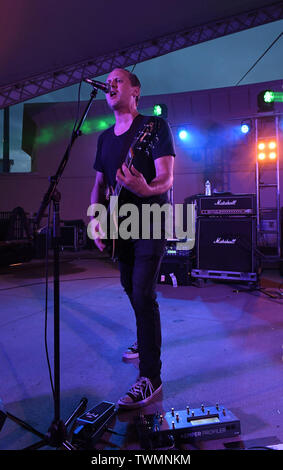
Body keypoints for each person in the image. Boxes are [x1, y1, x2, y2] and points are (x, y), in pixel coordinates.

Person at [90, 68, 175, 409]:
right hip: (120, 224)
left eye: (118, 81)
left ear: (136, 90)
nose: (111, 86)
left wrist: (146, 187)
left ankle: (150, 377)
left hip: (151, 220)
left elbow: (167, 177)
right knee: (129, 286)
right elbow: (99, 183)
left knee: (143, 291)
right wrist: (96, 217)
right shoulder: (105, 137)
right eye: (108, 82)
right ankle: (144, 337)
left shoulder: (154, 127)